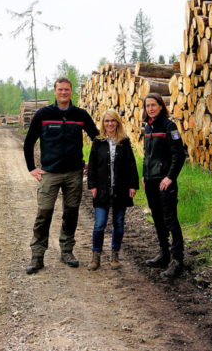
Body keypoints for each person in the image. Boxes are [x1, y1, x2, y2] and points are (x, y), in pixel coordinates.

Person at [23, 77, 99, 274]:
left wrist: (93, 162)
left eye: (67, 89)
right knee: (43, 214)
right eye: (60, 89)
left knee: (71, 213)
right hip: (49, 174)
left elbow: (96, 138)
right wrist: (32, 167)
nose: (63, 92)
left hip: (74, 174)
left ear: (71, 91)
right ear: (55, 91)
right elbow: (29, 141)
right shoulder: (43, 114)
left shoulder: (80, 115)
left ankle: (67, 251)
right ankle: (37, 256)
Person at [86, 110, 139, 271]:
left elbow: (131, 164)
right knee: (99, 224)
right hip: (102, 189)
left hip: (121, 189)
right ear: (103, 123)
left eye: (113, 121)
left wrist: (132, 185)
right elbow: (92, 166)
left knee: (119, 224)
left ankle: (115, 254)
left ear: (118, 123)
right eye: (106, 121)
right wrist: (92, 186)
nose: (110, 124)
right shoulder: (98, 141)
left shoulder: (125, 141)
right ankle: (96, 256)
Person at [142, 92, 186, 278]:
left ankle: (177, 260)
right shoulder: (147, 128)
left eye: (154, 105)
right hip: (150, 182)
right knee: (157, 218)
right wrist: (145, 176)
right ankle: (164, 253)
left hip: (165, 182)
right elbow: (147, 156)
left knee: (170, 219)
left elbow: (179, 154)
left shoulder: (170, 126)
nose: (151, 108)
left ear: (161, 106)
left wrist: (170, 177)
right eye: (148, 106)